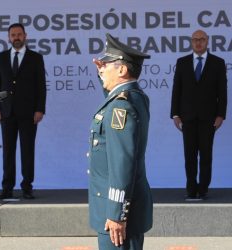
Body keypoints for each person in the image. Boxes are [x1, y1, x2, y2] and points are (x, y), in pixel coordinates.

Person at [88, 34, 153, 250]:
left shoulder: (120, 108)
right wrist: (102, 72)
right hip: (122, 209)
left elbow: (122, 164)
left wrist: (117, 214)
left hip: (116, 216)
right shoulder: (133, 96)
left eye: (106, 65)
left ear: (122, 70)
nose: (102, 69)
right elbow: (111, 90)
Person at [170, 29, 227, 200]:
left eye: (202, 39)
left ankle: (203, 189)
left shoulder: (218, 63)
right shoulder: (182, 62)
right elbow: (176, 90)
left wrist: (221, 115)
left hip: (209, 118)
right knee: (189, 156)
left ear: (207, 41)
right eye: (195, 39)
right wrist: (175, 114)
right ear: (191, 41)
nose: (198, 42)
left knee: (206, 155)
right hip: (187, 118)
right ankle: (191, 188)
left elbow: (222, 92)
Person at [0, 23, 46, 200]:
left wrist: (40, 109)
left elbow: (41, 87)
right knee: (8, 151)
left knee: (27, 150)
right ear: (9, 37)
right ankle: (7, 187)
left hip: (29, 113)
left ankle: (27, 187)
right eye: (13, 35)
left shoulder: (35, 58)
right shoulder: (1, 58)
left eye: (19, 34)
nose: (16, 37)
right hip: (7, 112)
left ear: (25, 36)